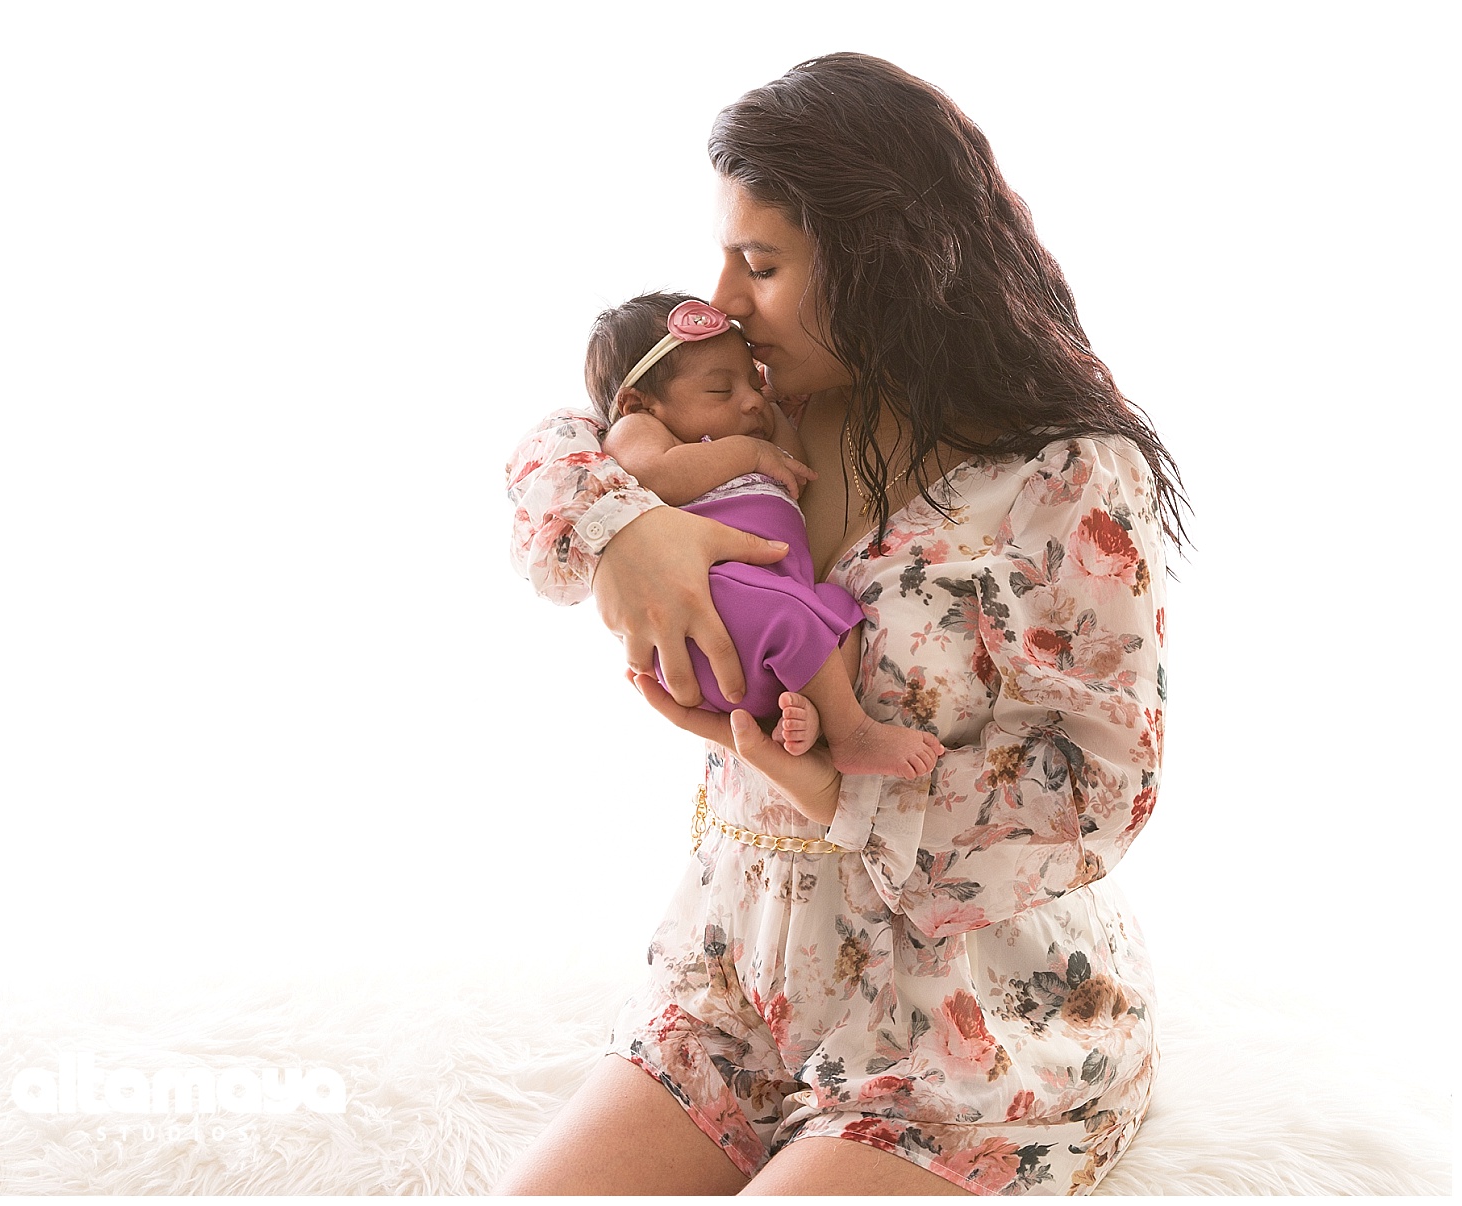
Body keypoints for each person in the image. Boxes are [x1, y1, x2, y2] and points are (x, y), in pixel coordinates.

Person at [496, 52, 1186, 1197]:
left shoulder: (1067, 478)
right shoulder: (768, 409)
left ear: (883, 264)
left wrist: (839, 792)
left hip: (968, 1025)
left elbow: (1106, 786)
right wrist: (623, 529)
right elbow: (563, 442)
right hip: (733, 986)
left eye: (761, 264)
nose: (723, 298)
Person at [587, 290, 946, 786]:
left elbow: (796, 467)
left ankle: (809, 710)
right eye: (721, 389)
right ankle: (853, 734)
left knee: (839, 607)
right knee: (789, 617)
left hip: (769, 599)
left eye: (753, 380)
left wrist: (768, 412)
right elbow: (656, 474)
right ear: (639, 403)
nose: (752, 399)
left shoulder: (753, 426)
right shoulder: (636, 429)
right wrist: (750, 452)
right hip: (710, 610)